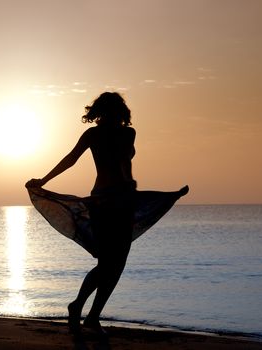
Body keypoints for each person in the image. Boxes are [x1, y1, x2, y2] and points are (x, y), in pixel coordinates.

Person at [26, 92, 188, 336]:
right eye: (112, 109)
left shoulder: (128, 133)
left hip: (124, 199)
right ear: (105, 111)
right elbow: (71, 159)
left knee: (116, 263)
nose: (115, 113)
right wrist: (44, 179)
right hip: (105, 200)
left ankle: (89, 314)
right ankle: (82, 308)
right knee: (109, 263)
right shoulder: (96, 134)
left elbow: (126, 166)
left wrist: (152, 195)